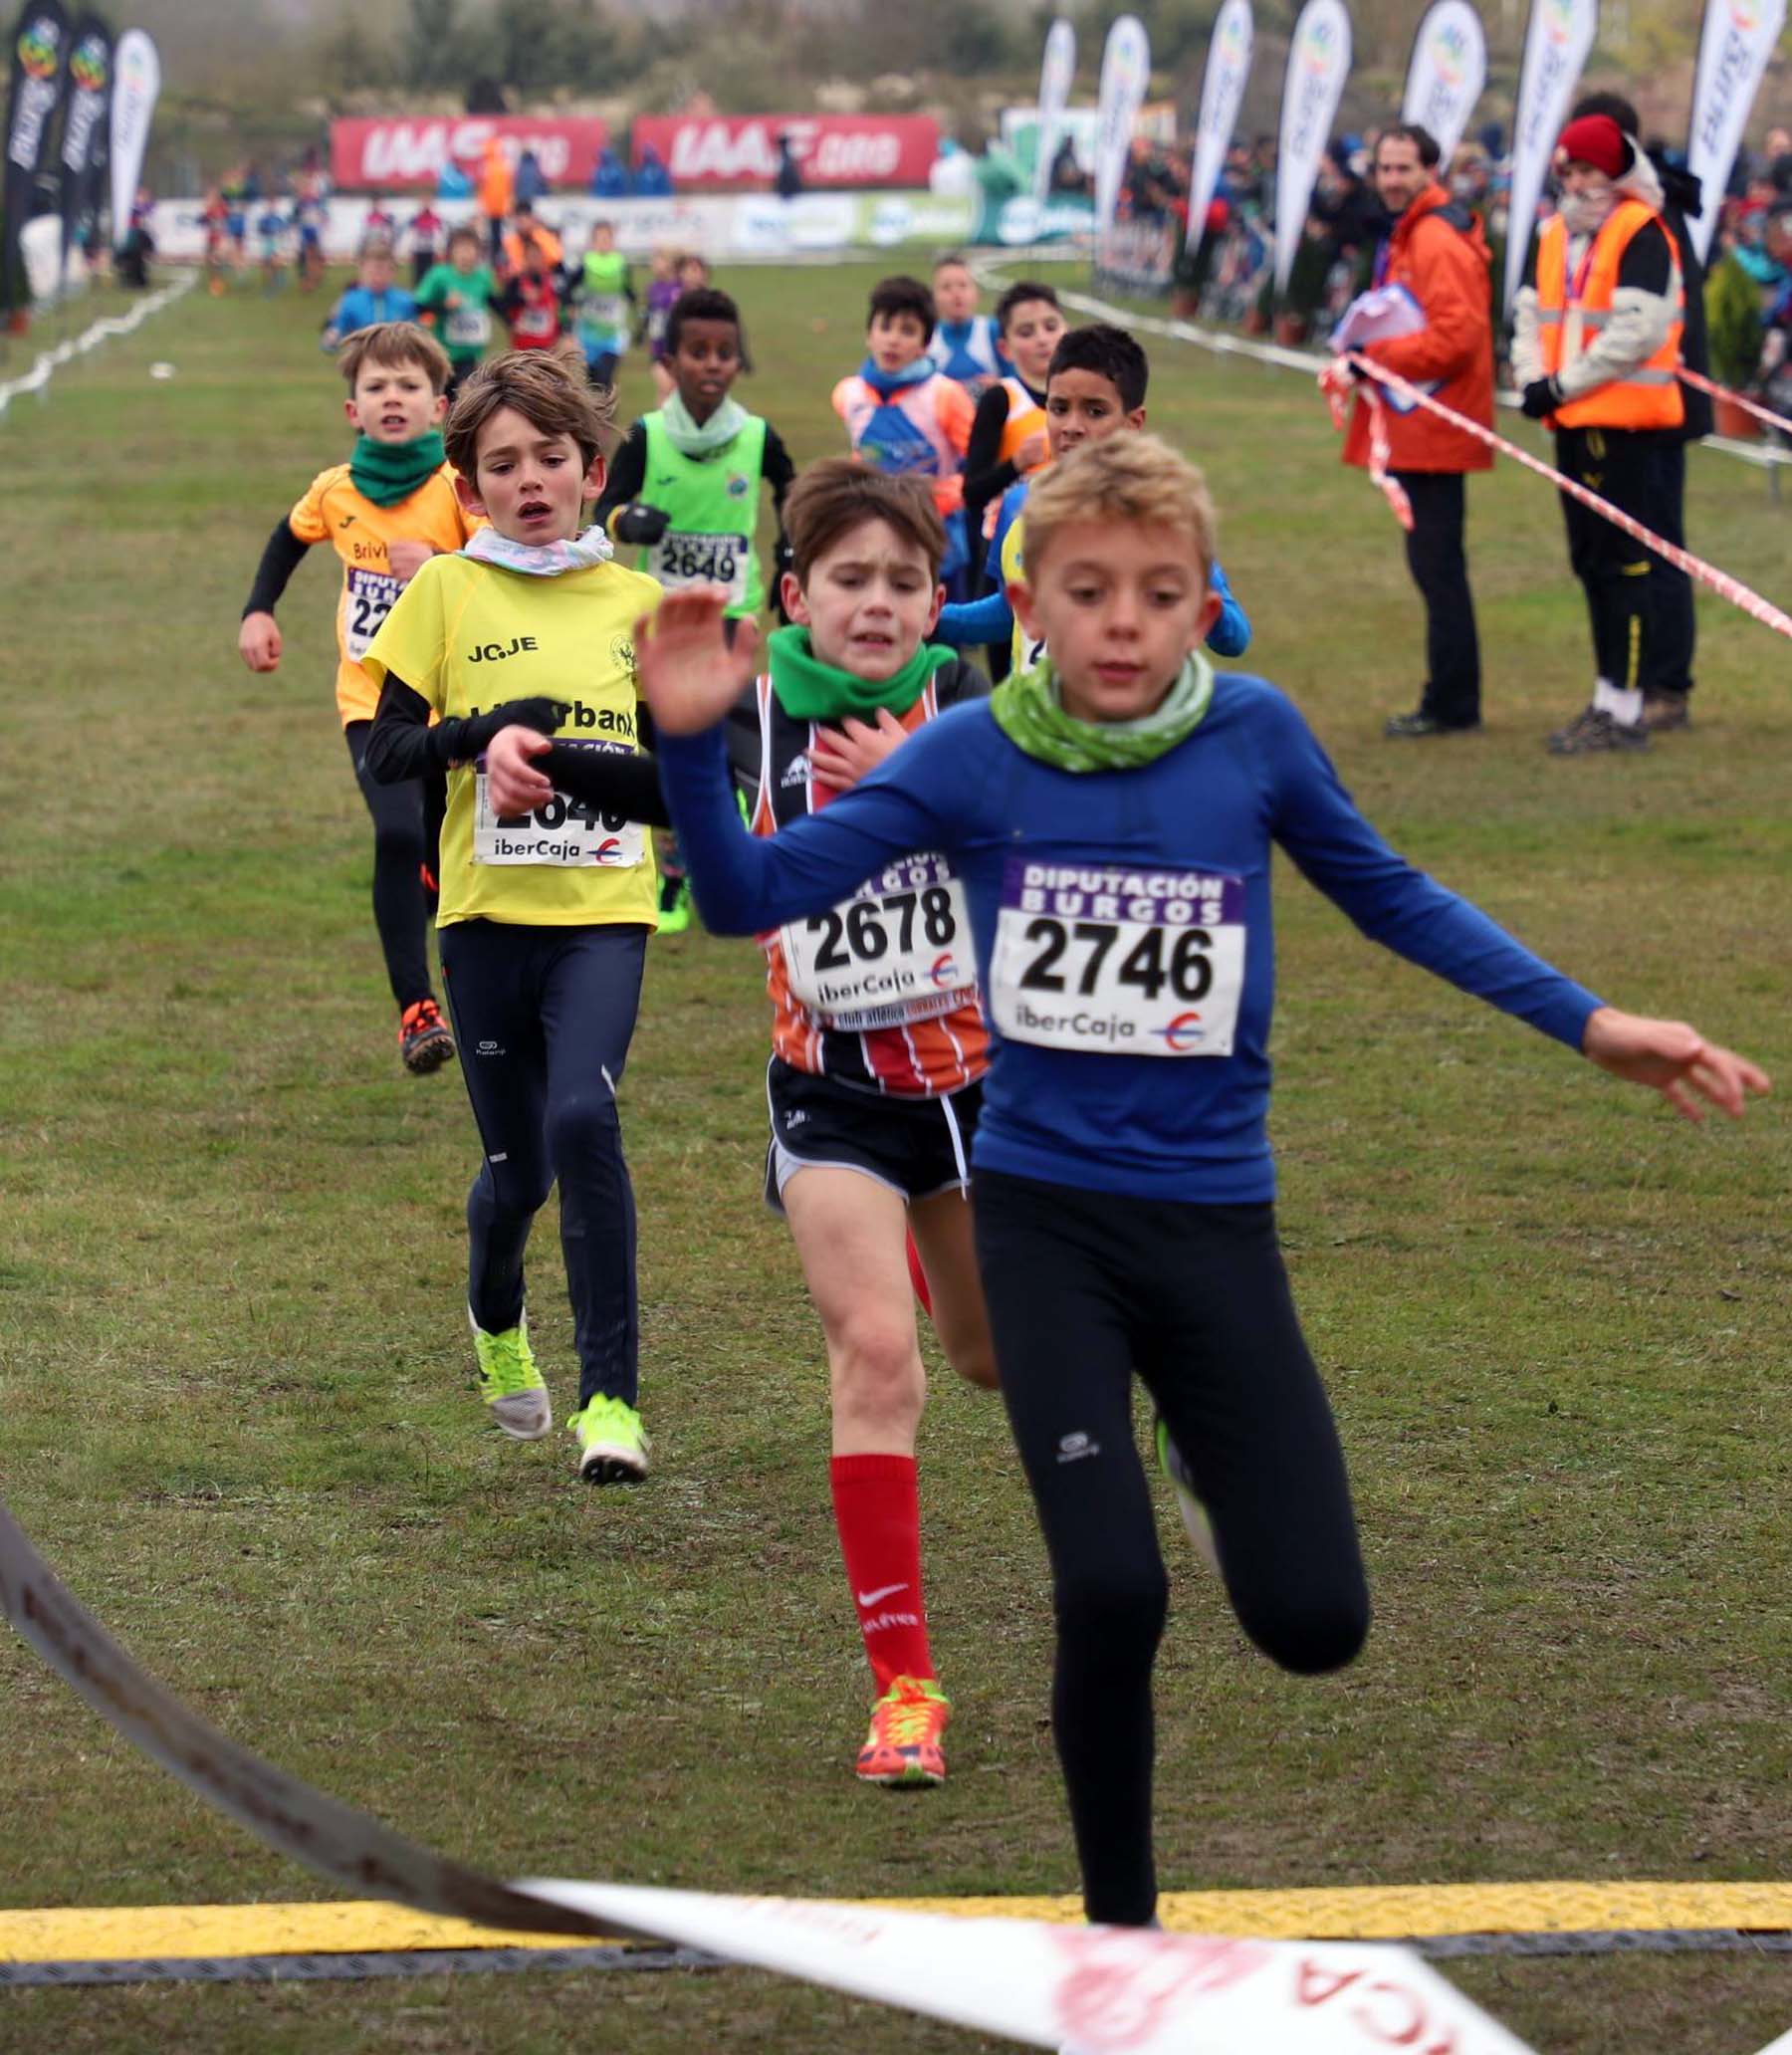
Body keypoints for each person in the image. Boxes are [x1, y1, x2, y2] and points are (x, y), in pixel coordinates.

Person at [634, 430, 1768, 1929]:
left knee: (1314, 1626)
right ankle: (1123, 1935)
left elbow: (1394, 897)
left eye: (1159, 594)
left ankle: (1212, 1473)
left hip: (1216, 1222)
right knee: (1111, 1594)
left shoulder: (1257, 737)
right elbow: (746, 899)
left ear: (1198, 607)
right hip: (1040, 1222)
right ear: (1025, 602)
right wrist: (685, 747)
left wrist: (1592, 1022)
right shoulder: (970, 753)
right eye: (1087, 589)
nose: (1121, 621)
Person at [492, 463, 1000, 1784]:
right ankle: (905, 1691)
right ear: (795, 597)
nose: (876, 605)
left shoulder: (985, 706)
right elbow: (679, 807)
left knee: (997, 1358)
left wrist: (925, 787)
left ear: (937, 600)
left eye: (902, 582)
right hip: (833, 1100)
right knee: (879, 1361)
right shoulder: (753, 705)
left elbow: (1064, 854)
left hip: (988, 1096)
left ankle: (1152, 1371)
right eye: (848, 580)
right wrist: (544, 753)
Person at [360, 352, 667, 1481]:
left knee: (585, 1121)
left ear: (591, 470)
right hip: (485, 926)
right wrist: (473, 740)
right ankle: (496, 1321)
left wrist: (589, 768)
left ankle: (613, 1405)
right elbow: (390, 745)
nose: (530, 480)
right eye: (502, 465)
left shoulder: (638, 608)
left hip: (602, 915)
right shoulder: (444, 590)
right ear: (470, 483)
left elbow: (690, 783)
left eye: (551, 458)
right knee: (520, 1175)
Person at [237, 322, 474, 1074]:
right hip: (370, 700)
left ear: (440, 406)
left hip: (451, 701)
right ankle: (416, 1008)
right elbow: (288, 537)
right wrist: (258, 609)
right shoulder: (335, 490)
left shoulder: (456, 488)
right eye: (376, 387)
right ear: (353, 411)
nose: (392, 398)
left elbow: (504, 573)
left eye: (408, 386)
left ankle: (440, 901)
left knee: (443, 845)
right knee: (398, 836)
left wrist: (441, 560)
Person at [593, 285, 797, 932]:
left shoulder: (757, 436)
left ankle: (729, 863)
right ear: (671, 361)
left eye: (725, 353)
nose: (712, 364)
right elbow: (604, 510)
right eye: (698, 352)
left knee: (735, 757)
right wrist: (631, 520)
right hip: (659, 623)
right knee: (666, 761)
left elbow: (793, 490)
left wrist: (791, 549)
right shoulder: (647, 437)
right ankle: (677, 878)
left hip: (732, 619)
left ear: (738, 362)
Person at [1512, 113, 1687, 755]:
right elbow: (1531, 311)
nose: (1579, 182)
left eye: (1589, 170)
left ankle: (1626, 705)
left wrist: (1560, 385)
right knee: (1591, 563)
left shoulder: (1640, 231)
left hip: (1623, 423)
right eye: (1570, 170)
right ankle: (1606, 694)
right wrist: (1533, 380)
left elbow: (1635, 333)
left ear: (1615, 172)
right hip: (1570, 420)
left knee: (1627, 565)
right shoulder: (1554, 233)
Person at [936, 324, 1250, 678]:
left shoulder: (1162, 518)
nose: (1072, 425)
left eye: (1095, 411)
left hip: (1124, 726)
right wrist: (930, 618)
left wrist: (1186, 581)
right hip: (1033, 726)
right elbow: (1010, 613)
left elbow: (1234, 638)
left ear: (1134, 422)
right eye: (1059, 408)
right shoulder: (1020, 505)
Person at [1339, 122, 1494, 739]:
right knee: (1434, 568)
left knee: (1438, 570)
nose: (1392, 180)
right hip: (1419, 423)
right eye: (1385, 168)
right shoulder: (1415, 232)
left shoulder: (1434, 238)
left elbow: (1458, 336)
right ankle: (1449, 696)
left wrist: (1376, 359)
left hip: (1434, 424)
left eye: (1404, 168)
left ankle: (1453, 703)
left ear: (1430, 171)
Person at [1570, 91, 1710, 736]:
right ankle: (1639, 680)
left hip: (1654, 409)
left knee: (1657, 550)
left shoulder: (1648, 219)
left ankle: (1666, 683)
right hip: (1622, 409)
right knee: (1631, 551)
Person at [832, 276, 976, 590]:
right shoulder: (848, 395)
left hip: (937, 539)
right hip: (872, 531)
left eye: (907, 331)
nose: (893, 340)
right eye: (885, 327)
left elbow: (981, 469)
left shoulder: (946, 396)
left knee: (939, 632)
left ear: (925, 343)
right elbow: (863, 454)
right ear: (869, 334)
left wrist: (938, 495)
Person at [962, 280, 1066, 553]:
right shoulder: (1001, 399)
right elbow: (972, 492)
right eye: (1026, 331)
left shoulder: (1086, 400)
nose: (1042, 338)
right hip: (1009, 545)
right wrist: (1016, 464)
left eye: (1051, 326)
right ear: (1004, 348)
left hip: (1069, 537)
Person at [415, 224, 501, 397]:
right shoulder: (439, 275)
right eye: (460, 248)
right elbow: (419, 306)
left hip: (471, 355)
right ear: (451, 251)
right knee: (445, 406)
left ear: (478, 252)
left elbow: (496, 304)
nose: (466, 254)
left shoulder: (484, 277)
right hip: (443, 354)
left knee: (467, 395)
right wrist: (444, 306)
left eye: (470, 248)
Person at [928, 255, 1011, 401]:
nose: (956, 294)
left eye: (963, 285)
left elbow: (1019, 383)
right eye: (946, 287)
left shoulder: (993, 331)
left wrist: (1000, 386)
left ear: (976, 293)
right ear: (934, 297)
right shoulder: (927, 338)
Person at [569, 219, 634, 387]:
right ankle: (594, 413)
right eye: (599, 239)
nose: (604, 243)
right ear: (592, 242)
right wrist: (571, 307)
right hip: (587, 335)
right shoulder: (585, 266)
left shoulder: (621, 266)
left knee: (605, 379)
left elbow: (628, 291)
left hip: (612, 335)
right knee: (591, 382)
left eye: (607, 239)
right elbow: (569, 290)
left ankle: (606, 412)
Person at [321, 242, 419, 348]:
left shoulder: (406, 301)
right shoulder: (351, 301)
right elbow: (333, 338)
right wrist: (333, 338)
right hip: (361, 360)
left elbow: (417, 336)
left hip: (396, 360)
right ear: (362, 272)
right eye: (371, 273)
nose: (377, 278)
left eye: (382, 272)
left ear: (392, 272)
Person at [495, 232, 565, 351]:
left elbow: (562, 307)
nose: (534, 260)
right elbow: (503, 304)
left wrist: (562, 331)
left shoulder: (553, 281)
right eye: (531, 256)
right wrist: (522, 299)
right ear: (524, 259)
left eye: (537, 256)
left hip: (546, 346)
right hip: (522, 346)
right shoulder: (516, 282)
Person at [478, 134, 514, 267]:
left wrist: (483, 206)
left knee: (495, 237)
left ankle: (496, 259)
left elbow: (485, 190)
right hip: (498, 208)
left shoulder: (490, 167)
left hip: (495, 209)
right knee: (498, 236)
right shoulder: (502, 166)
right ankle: (497, 259)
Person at [406, 199, 444, 289]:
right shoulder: (415, 219)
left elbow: (439, 235)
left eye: (427, 203)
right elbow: (410, 235)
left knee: (430, 273)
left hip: (431, 251)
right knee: (418, 275)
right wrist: (409, 250)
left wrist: (439, 250)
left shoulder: (436, 219)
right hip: (418, 251)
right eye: (423, 204)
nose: (425, 206)